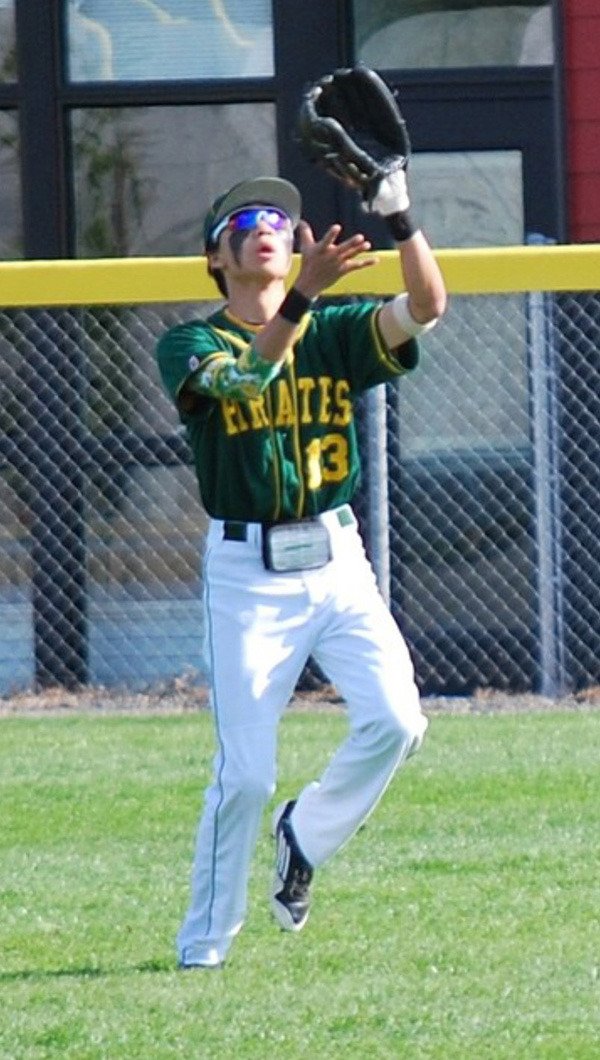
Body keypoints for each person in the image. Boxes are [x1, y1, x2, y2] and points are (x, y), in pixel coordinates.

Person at [156, 166, 447, 969]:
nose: (266, 226)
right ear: (217, 259)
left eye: (278, 218)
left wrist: (399, 214)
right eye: (244, 220)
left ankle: (305, 835)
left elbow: (427, 306)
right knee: (244, 775)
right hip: (247, 574)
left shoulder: (332, 327)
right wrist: (303, 298)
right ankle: (203, 947)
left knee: (398, 720)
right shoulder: (190, 341)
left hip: (336, 554)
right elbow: (249, 375)